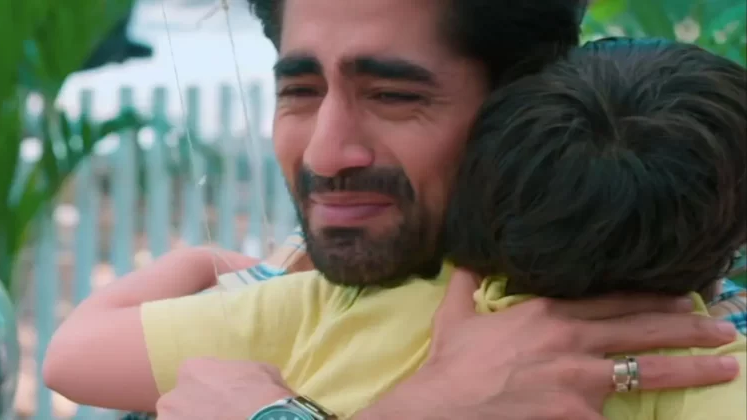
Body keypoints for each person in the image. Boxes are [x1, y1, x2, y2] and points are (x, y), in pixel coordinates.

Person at [43, 0, 745, 418]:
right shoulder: (708, 354)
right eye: (300, 90)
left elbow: (74, 355)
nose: (326, 154)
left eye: (394, 96)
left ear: (519, 101)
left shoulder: (318, 315)